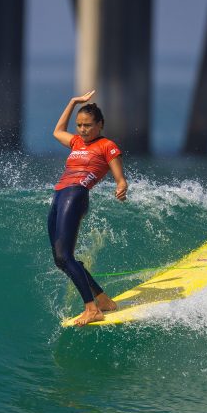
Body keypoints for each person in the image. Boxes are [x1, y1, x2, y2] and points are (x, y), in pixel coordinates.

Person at [49, 90, 128, 325]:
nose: (82, 130)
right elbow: (57, 132)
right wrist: (73, 101)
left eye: (88, 125)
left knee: (65, 255)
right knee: (60, 259)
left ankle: (92, 309)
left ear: (100, 125)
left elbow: (119, 177)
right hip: (59, 194)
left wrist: (121, 185)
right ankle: (103, 299)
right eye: (79, 125)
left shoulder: (107, 145)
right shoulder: (75, 142)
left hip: (76, 194)